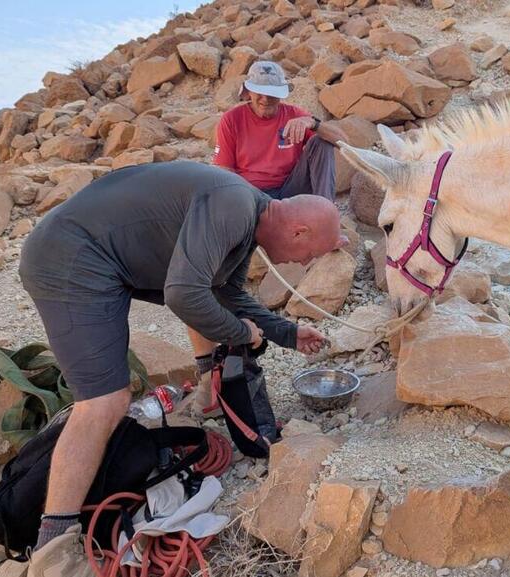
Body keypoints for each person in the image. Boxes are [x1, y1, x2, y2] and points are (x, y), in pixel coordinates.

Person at [18, 160, 346, 555]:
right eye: (311, 254)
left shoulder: (247, 220)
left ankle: (199, 393)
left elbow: (227, 295)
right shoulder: (235, 205)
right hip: (69, 256)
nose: (303, 264)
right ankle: (52, 550)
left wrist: (288, 333)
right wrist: (241, 332)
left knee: (118, 390)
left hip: (98, 256)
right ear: (299, 231)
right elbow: (184, 294)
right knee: (103, 402)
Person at [214, 60, 349, 199]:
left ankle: (325, 211)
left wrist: (313, 123)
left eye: (271, 93)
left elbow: (345, 142)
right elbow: (225, 170)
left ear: (280, 94)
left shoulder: (294, 114)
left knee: (322, 142)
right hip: (251, 193)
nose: (265, 99)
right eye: (260, 92)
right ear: (249, 92)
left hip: (290, 188)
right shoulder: (231, 119)